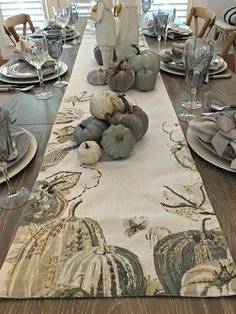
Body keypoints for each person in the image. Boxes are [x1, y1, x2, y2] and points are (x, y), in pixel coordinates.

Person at [91, 0, 116, 69]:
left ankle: (106, 70)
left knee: (105, 50)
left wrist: (92, 12)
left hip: (104, 30)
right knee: (110, 49)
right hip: (110, 28)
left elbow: (99, 18)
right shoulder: (108, 2)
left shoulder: (102, 3)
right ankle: (111, 67)